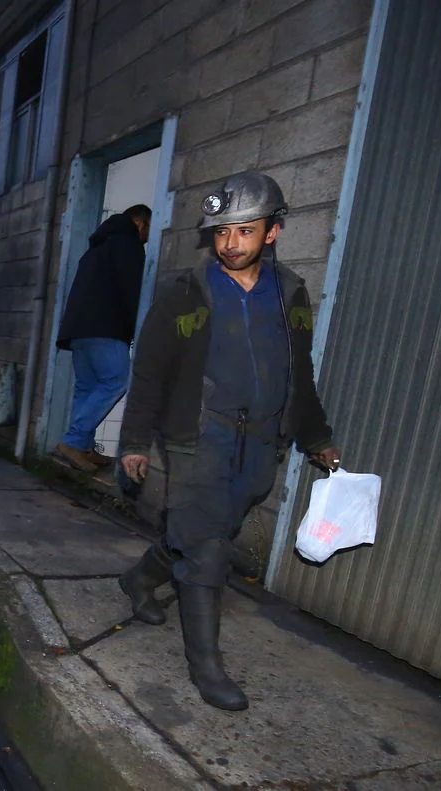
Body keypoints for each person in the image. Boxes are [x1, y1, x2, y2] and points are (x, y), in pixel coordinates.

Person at [116, 171, 340, 711]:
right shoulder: (184, 292)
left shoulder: (290, 293)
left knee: (201, 531)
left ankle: (138, 579)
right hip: (199, 436)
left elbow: (298, 370)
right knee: (209, 552)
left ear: (272, 232)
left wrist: (316, 436)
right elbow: (149, 371)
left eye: (243, 231)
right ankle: (207, 669)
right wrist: (135, 440)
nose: (230, 243)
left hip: (262, 442)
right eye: (221, 233)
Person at [55, 204, 152, 471]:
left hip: (78, 331)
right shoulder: (128, 245)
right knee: (118, 380)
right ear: (140, 223)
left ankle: (83, 445)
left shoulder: (97, 247)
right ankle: (74, 441)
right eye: (148, 230)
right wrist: (136, 328)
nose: (147, 237)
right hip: (105, 328)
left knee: (86, 388)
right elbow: (131, 291)